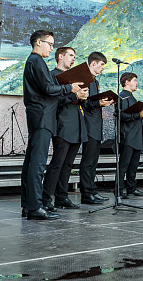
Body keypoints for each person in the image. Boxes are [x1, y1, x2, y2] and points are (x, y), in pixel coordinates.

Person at [21, 30, 82, 220]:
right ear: (38, 42)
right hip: (42, 117)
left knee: (31, 163)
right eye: (50, 44)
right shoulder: (36, 61)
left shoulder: (34, 61)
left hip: (40, 117)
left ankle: (29, 205)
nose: (51, 48)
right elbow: (48, 89)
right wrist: (70, 88)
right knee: (37, 164)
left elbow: (48, 91)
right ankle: (34, 207)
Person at [42, 46, 89, 210]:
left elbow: (77, 101)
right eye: (70, 55)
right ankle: (45, 199)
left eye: (74, 56)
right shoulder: (52, 76)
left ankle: (62, 197)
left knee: (68, 164)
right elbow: (53, 101)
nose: (73, 58)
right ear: (60, 56)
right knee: (57, 163)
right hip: (62, 124)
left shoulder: (74, 78)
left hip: (77, 124)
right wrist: (74, 95)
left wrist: (82, 96)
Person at [79, 52, 113, 205]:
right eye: (101, 65)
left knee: (93, 161)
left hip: (96, 125)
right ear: (93, 63)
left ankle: (92, 190)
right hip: (89, 125)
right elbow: (84, 103)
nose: (103, 68)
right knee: (87, 161)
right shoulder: (84, 80)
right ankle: (86, 193)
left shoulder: (95, 81)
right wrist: (98, 103)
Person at [117, 72, 143, 198]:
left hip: (136, 135)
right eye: (134, 80)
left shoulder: (131, 97)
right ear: (127, 82)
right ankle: (119, 190)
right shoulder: (122, 97)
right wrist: (138, 115)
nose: (137, 83)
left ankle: (131, 188)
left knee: (134, 165)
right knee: (124, 165)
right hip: (127, 136)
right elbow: (121, 115)